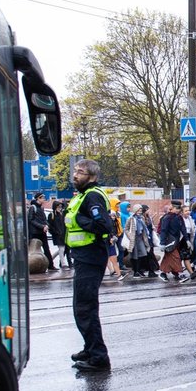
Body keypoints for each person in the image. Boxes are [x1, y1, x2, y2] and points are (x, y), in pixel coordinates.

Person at [66, 159, 115, 372]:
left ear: (92, 177)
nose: (75, 175)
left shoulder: (92, 196)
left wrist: (79, 220)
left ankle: (98, 357)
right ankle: (89, 348)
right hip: (85, 256)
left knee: (85, 308)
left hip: (90, 256)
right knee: (82, 307)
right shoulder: (85, 195)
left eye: (81, 172)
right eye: (75, 171)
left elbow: (104, 225)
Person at [123, 202, 157, 278]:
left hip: (141, 238)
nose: (140, 212)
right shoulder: (131, 218)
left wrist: (146, 235)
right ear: (135, 210)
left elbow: (144, 228)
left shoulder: (141, 218)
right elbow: (126, 229)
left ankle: (139, 270)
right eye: (138, 210)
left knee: (144, 254)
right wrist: (130, 236)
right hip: (133, 239)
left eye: (141, 210)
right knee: (134, 256)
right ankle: (136, 271)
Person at [158, 203, 188, 283]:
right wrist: (162, 243)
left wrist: (187, 240)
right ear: (173, 208)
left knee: (168, 258)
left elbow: (183, 229)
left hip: (176, 241)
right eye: (177, 208)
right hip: (169, 242)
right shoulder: (167, 217)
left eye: (179, 209)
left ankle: (164, 273)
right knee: (176, 257)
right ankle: (180, 273)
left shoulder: (178, 217)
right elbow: (163, 230)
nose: (178, 210)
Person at [28, 192, 55, 271]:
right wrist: (42, 226)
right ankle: (32, 266)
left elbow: (44, 219)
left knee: (46, 248)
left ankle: (51, 265)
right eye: (42, 198)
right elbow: (31, 220)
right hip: (35, 232)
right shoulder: (33, 207)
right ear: (38, 199)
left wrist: (46, 226)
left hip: (42, 231)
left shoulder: (41, 208)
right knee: (33, 249)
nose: (44, 199)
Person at [49, 200, 69, 270]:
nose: (59, 208)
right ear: (55, 207)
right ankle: (63, 264)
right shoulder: (52, 214)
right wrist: (55, 232)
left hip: (62, 234)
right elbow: (50, 225)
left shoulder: (61, 214)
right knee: (61, 249)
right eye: (58, 206)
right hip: (57, 235)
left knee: (62, 249)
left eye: (60, 206)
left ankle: (51, 258)